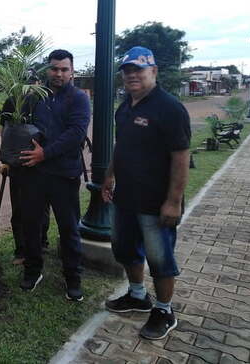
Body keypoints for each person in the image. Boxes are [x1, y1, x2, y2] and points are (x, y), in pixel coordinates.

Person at [102, 46, 190, 340]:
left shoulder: (170, 108)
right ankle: (138, 296)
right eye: (127, 71)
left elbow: (180, 156)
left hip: (157, 202)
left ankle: (164, 310)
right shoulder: (125, 106)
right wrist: (110, 176)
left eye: (138, 69)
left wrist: (173, 202)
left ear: (154, 71)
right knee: (125, 249)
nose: (132, 75)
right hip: (126, 197)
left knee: (160, 258)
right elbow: (122, 145)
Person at [17, 49, 91, 300]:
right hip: (35, 174)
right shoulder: (37, 97)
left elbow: (76, 134)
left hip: (64, 174)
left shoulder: (79, 98)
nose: (58, 73)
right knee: (32, 224)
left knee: (68, 228)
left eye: (64, 69)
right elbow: (26, 125)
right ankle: (33, 270)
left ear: (72, 72)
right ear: (47, 70)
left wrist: (44, 153)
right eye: (54, 68)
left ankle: (73, 279)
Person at [0, 74, 51, 265]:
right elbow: (5, 131)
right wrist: (5, 158)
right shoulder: (11, 101)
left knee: (43, 207)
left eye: (33, 82)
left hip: (42, 164)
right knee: (19, 208)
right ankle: (21, 250)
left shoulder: (45, 100)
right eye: (26, 82)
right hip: (17, 164)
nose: (30, 87)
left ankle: (42, 242)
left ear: (39, 83)